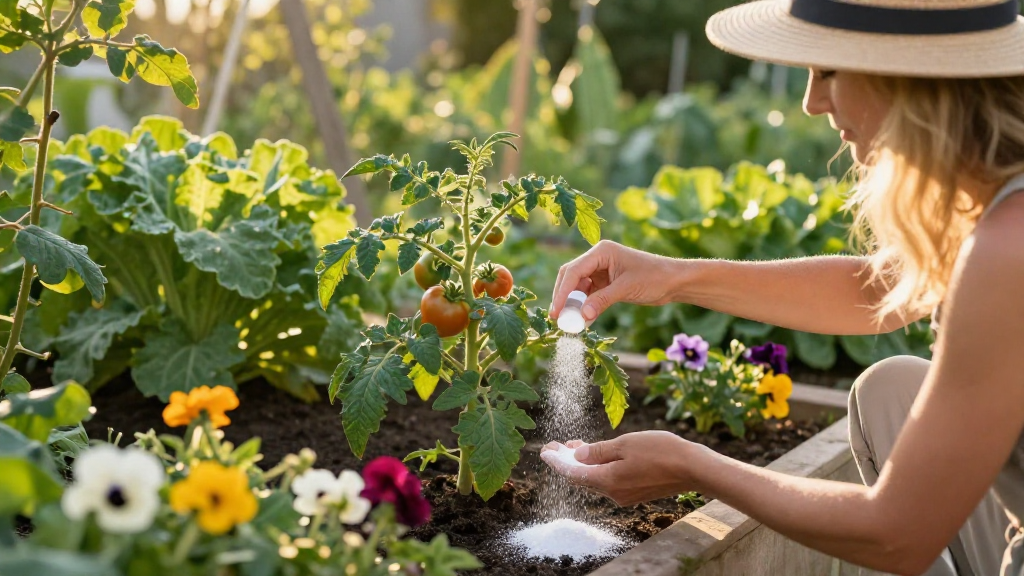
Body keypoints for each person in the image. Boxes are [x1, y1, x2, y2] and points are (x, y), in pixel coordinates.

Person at [541, 1, 1024, 575]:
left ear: (912, 78)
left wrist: (695, 467)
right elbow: (880, 288)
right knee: (891, 388)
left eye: (828, 72)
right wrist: (672, 277)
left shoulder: (1008, 248)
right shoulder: (999, 204)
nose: (811, 101)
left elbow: (897, 533)